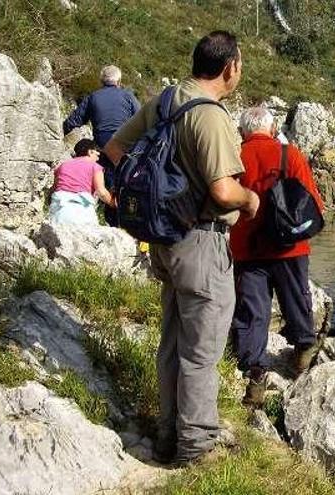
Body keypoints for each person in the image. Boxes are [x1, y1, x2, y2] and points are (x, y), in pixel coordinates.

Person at [103, 31, 260, 466]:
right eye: (240, 63)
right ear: (230, 67)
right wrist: (251, 201)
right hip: (202, 244)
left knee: (173, 342)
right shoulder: (210, 115)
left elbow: (115, 149)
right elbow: (224, 191)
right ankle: (194, 450)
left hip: (165, 241)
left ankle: (167, 434)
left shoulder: (166, 100)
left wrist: (162, 198)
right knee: (201, 352)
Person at [229, 107, 325, 407]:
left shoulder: (234, 156)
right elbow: (313, 200)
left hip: (248, 247)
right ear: (272, 130)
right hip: (289, 247)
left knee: (251, 312)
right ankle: (304, 353)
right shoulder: (290, 155)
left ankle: (255, 375)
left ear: (243, 131)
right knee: (296, 298)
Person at [63, 65, 141, 188]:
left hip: (102, 145)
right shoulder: (128, 96)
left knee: (105, 176)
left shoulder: (93, 97)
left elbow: (73, 121)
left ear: (101, 81)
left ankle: (106, 199)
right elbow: (141, 119)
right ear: (119, 81)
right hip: (124, 143)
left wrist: (62, 135)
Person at [48, 139, 115, 225]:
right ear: (90, 152)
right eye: (96, 151)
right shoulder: (95, 167)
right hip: (81, 209)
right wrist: (113, 203)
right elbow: (101, 192)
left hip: (59, 208)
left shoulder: (63, 165)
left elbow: (53, 189)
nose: (98, 154)